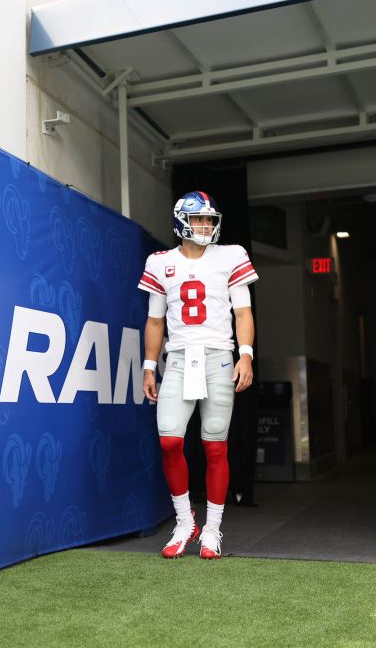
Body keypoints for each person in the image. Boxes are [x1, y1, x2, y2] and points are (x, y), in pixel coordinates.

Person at [138, 191, 257, 559]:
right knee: (170, 441)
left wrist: (247, 355)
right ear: (181, 222)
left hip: (219, 356)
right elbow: (156, 320)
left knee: (214, 445)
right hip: (177, 359)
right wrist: (148, 365)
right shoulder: (160, 262)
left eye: (209, 220)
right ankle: (185, 520)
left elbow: (243, 312)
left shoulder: (231, 255)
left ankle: (213, 528)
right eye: (199, 219)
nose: (206, 226)